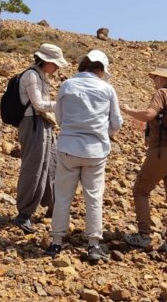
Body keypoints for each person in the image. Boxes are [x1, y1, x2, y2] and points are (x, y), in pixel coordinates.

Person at [45, 50, 123, 264]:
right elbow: (116, 123)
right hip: (95, 151)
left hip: (68, 147)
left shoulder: (67, 85)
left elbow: (59, 116)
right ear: (100, 69)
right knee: (94, 198)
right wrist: (102, 133)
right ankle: (94, 244)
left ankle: (56, 241)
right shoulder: (107, 89)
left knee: (62, 196)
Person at [121, 62, 167, 255]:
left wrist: (128, 110)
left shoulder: (163, 93)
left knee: (140, 191)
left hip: (162, 152)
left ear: (163, 78)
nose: (154, 80)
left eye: (155, 77)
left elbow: (149, 114)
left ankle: (143, 236)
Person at [11, 43, 68, 234]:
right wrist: (62, 104)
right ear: (47, 61)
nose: (58, 68)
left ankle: (52, 206)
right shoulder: (32, 76)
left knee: (51, 165)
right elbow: (38, 104)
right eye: (56, 64)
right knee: (34, 167)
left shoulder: (40, 76)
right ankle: (24, 214)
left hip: (43, 124)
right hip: (33, 124)